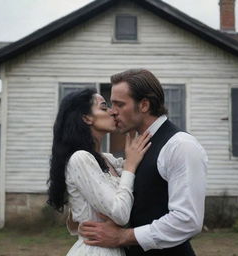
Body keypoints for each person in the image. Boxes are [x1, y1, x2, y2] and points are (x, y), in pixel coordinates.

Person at [79, 69, 208, 256]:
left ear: (144, 105)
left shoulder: (180, 146)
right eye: (111, 104)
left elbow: (187, 220)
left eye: (119, 105)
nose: (113, 112)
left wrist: (123, 236)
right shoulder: (136, 148)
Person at [47, 88, 151, 256]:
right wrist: (130, 166)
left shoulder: (108, 160)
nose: (113, 112)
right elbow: (120, 214)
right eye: (104, 107)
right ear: (86, 118)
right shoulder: (80, 159)